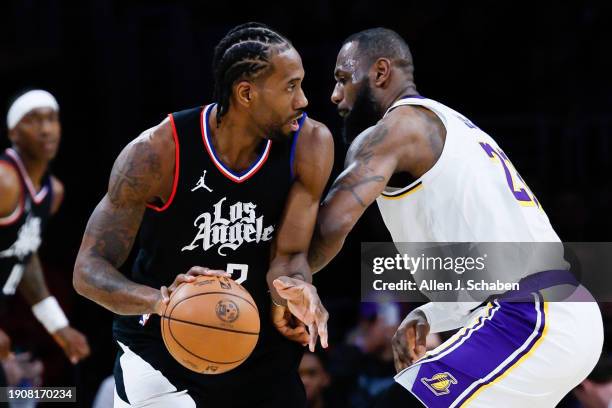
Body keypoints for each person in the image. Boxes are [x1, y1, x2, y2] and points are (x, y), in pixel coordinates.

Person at [275, 28, 604, 407]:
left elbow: (330, 228)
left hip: (533, 317)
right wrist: (432, 312)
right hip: (557, 310)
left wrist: (268, 279)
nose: (334, 95)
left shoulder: (394, 131)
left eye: (343, 79)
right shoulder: (456, 125)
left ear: (380, 73)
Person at [73, 23, 333, 407]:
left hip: (257, 347)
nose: (303, 100)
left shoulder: (310, 144)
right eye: (290, 87)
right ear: (246, 93)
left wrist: (296, 289)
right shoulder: (158, 152)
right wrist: (162, 301)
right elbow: (88, 270)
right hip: (161, 353)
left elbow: (289, 255)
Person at [0, 90, 90, 390]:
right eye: (33, 120)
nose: (46, 128)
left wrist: (58, 325)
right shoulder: (4, 180)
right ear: (13, 131)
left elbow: (23, 254)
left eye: (52, 119)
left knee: (50, 395)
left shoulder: (53, 192)